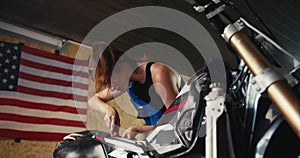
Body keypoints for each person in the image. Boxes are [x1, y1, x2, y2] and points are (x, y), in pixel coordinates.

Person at [89, 42, 184, 139]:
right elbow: (93, 100)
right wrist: (109, 110)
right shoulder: (129, 80)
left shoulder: (159, 74)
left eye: (110, 81)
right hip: (160, 137)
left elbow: (178, 121)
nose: (111, 88)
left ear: (120, 66)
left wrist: (138, 129)